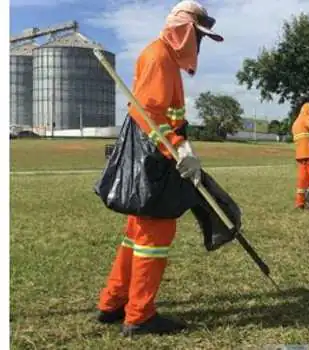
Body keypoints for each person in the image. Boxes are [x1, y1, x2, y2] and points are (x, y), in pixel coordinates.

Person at [95, 0, 224, 337]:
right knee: (154, 236)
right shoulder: (158, 57)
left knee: (136, 236)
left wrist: (184, 144)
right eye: (198, 36)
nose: (199, 45)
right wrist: (175, 151)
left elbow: (171, 116)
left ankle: (113, 303)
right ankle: (139, 315)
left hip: (159, 153)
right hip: (153, 160)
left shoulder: (167, 60)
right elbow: (147, 113)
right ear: (184, 31)